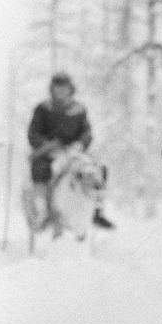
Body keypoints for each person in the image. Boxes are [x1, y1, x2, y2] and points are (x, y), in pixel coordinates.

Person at [28, 72, 115, 230]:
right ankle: (43, 211)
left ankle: (97, 210)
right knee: (41, 170)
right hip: (48, 153)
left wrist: (80, 144)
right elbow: (33, 134)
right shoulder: (42, 109)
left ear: (70, 89)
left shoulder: (79, 110)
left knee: (99, 168)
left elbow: (87, 133)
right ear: (52, 89)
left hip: (74, 152)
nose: (61, 91)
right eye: (57, 88)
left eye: (64, 88)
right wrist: (47, 145)